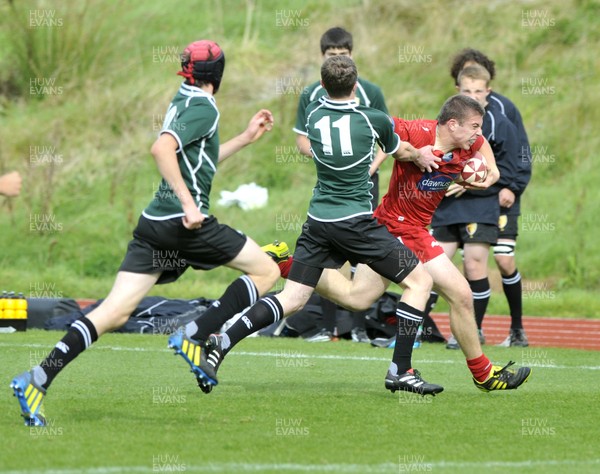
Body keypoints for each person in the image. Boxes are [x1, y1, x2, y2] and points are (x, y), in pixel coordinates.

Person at [10, 39, 281, 427]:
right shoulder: (203, 106)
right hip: (181, 224)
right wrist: (189, 206)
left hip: (153, 224)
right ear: (218, 74)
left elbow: (194, 162)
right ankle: (197, 333)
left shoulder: (184, 97)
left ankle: (38, 377)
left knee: (114, 311)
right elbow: (162, 149)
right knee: (266, 271)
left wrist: (243, 138)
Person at [172, 55, 445, 396]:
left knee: (294, 297)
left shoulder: (315, 116)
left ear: (323, 85)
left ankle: (221, 343)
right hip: (356, 223)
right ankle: (400, 370)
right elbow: (400, 150)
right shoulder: (373, 120)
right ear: (357, 86)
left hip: (319, 222)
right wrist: (421, 154)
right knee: (420, 281)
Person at [277, 94, 532, 394]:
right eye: (475, 126)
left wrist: (493, 172)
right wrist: (403, 156)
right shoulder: (417, 131)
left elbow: (484, 149)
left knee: (356, 297)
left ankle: (288, 265)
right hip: (395, 225)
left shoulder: (470, 144)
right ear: (452, 124)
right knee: (461, 293)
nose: (479, 133)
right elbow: (383, 130)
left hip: (413, 229)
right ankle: (481, 374)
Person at [293, 27, 390, 343]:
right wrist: (325, 158)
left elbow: (385, 140)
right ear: (322, 58)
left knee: (362, 254)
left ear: (352, 54)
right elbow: (301, 139)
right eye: (331, 55)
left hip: (364, 182)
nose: (338, 59)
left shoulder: (370, 91)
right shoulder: (310, 93)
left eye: (343, 54)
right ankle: (327, 327)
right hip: (331, 182)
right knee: (327, 253)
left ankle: (359, 327)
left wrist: (367, 169)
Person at [429, 65, 521, 350]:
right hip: (448, 205)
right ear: (458, 91)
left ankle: (472, 330)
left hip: (481, 203)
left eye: (478, 91)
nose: (473, 95)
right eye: (467, 91)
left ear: (488, 92)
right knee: (432, 267)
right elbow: (434, 158)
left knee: (473, 263)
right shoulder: (448, 123)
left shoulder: (501, 124)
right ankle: (418, 327)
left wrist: (474, 182)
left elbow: (509, 169)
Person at [450, 48, 532, 347]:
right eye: (466, 80)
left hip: (505, 192)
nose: (473, 88)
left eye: (478, 81)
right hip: (471, 198)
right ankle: (474, 329)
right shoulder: (454, 111)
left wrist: (514, 187)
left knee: (504, 258)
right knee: (471, 263)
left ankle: (518, 329)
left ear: (488, 84)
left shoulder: (503, 110)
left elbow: (520, 152)